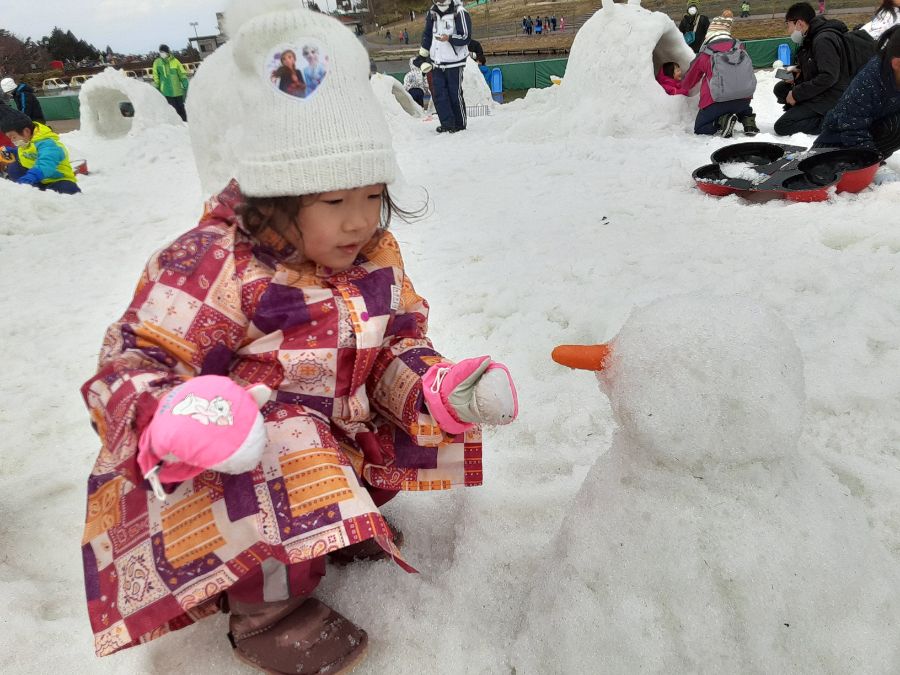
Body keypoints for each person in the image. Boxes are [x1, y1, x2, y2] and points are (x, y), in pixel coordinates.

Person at [79, 6, 517, 673]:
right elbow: (134, 358)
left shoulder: (373, 254)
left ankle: (331, 525)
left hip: (328, 437)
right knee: (288, 435)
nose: (360, 220)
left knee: (361, 428)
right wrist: (176, 416)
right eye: (335, 202)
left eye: (372, 195)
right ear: (278, 195)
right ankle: (267, 610)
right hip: (229, 461)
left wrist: (436, 385)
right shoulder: (217, 262)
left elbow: (396, 338)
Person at [814, 26, 900, 157]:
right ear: (897, 64)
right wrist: (871, 159)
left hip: (872, 133)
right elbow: (851, 127)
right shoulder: (869, 80)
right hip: (837, 142)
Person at [773, 2, 852, 136]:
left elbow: (828, 76)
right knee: (781, 88)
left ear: (799, 23)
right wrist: (799, 71)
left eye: (788, 25)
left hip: (833, 95)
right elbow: (817, 65)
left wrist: (797, 93)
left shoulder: (823, 39)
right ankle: (803, 112)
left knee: (783, 126)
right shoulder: (811, 37)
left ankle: (838, 123)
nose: (788, 30)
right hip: (825, 90)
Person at [679, 12, 760, 136]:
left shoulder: (706, 53)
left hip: (716, 103)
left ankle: (723, 121)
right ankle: (748, 121)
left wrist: (679, 85)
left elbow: (690, 80)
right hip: (743, 100)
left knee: (700, 127)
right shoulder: (740, 47)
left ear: (710, 34)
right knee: (742, 106)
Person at [417, 0, 472, 133]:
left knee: (454, 93)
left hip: (454, 62)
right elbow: (427, 35)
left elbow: (466, 36)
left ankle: (460, 124)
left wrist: (449, 38)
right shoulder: (432, 12)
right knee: (439, 94)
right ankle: (447, 124)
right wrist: (422, 56)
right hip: (437, 62)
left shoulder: (460, 12)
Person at [0, 107, 80, 193]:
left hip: (57, 180)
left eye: (13, 137)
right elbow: (27, 154)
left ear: (26, 131)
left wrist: (30, 177)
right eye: (10, 138)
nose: (12, 140)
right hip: (40, 181)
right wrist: (13, 151)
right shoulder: (26, 142)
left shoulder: (48, 145)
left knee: (67, 188)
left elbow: (46, 163)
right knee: (14, 167)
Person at [152, 44, 189, 121]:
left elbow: (181, 73)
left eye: (163, 51)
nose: (162, 53)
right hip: (166, 90)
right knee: (172, 109)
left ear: (168, 52)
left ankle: (185, 122)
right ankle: (176, 124)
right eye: (160, 52)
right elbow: (155, 75)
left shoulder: (175, 61)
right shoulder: (157, 62)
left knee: (181, 107)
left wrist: (185, 83)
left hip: (177, 90)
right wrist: (157, 86)